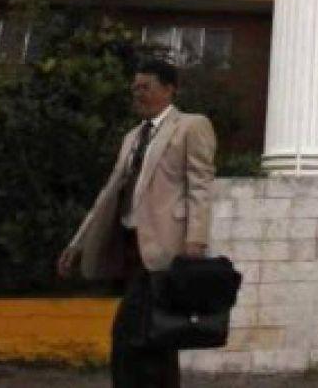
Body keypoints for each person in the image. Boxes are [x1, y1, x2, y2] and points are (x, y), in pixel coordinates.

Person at [57, 59, 216, 388]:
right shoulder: (133, 137)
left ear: (169, 89)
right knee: (153, 334)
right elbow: (108, 193)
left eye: (145, 87)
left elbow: (200, 185)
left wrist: (196, 241)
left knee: (136, 330)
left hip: (165, 247)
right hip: (130, 246)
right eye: (135, 88)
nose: (137, 94)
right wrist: (78, 242)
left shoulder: (191, 126)